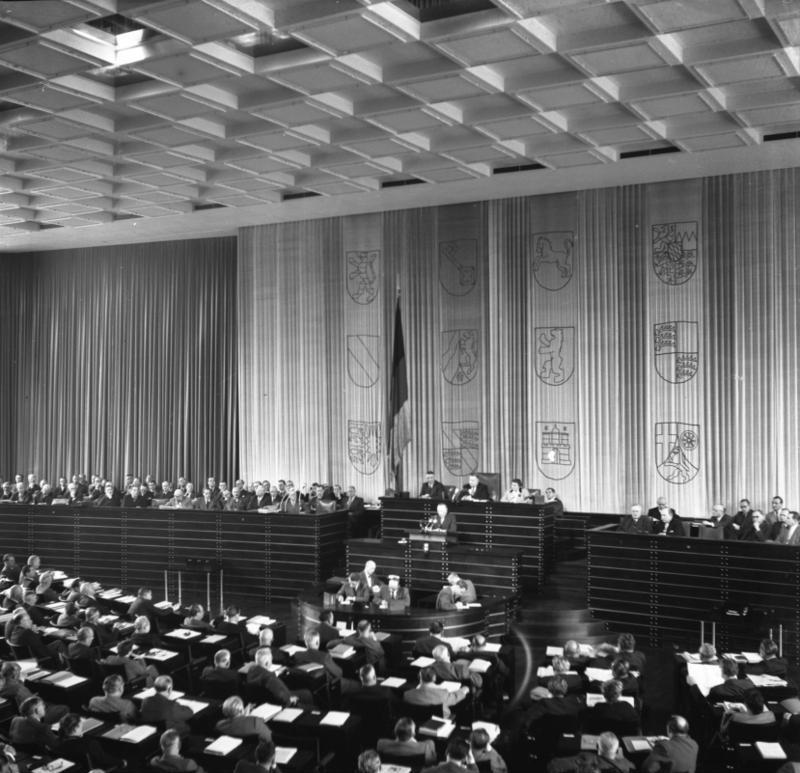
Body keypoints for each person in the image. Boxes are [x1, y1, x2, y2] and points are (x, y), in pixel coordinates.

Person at [57, 712, 125, 769]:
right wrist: (121, 762)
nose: (82, 728)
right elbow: (104, 759)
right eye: (81, 726)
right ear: (75, 728)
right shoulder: (90, 743)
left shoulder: (58, 743)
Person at [548, 731, 633, 773]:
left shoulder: (586, 758)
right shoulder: (629, 765)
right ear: (618, 749)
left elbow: (553, 766)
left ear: (597, 746)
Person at [403, 666, 469, 719]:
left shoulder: (407, 695)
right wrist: (464, 690)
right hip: (440, 721)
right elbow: (455, 698)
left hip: (417, 720)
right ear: (434, 678)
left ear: (420, 678)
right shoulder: (443, 695)